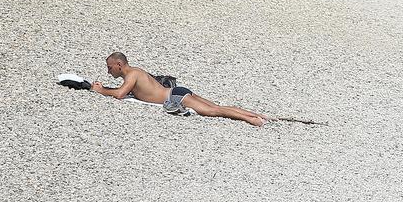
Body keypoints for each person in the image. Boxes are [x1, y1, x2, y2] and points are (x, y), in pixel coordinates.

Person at [90, 52, 273, 127]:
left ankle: (253, 121)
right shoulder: (136, 72)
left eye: (110, 67)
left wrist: (101, 90)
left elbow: (121, 94)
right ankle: (257, 115)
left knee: (213, 111)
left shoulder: (132, 75)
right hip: (177, 92)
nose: (108, 70)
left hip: (175, 97)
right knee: (217, 106)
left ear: (119, 64)